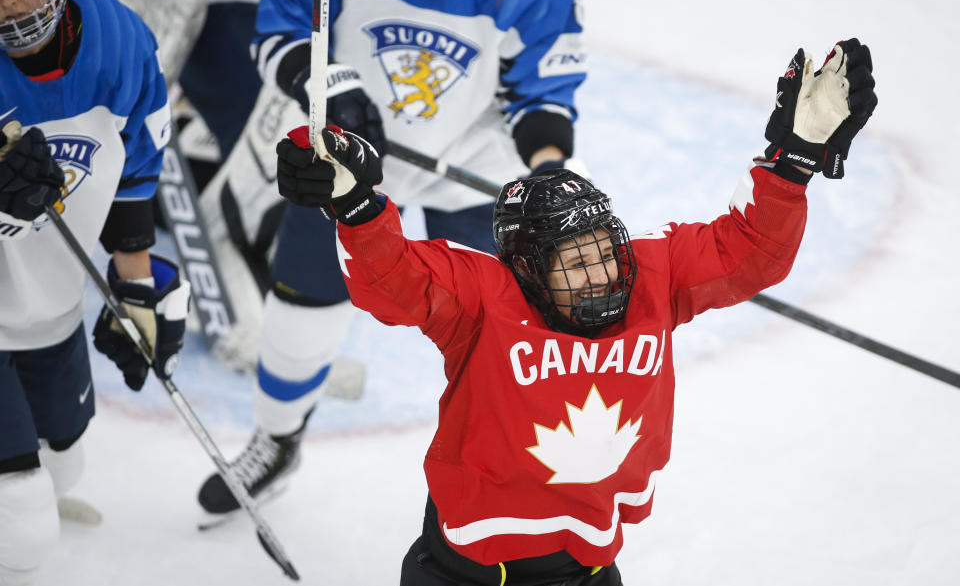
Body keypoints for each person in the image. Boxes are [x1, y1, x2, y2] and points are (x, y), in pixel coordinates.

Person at [271, 37, 876, 584]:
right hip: (461, 574)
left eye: (605, 252)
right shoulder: (485, 298)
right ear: (529, 269)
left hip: (586, 569)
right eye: (575, 263)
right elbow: (395, 279)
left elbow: (750, 254)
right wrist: (354, 205)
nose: (603, 274)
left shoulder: (649, 276)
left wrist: (793, 161)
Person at [198, 0, 588, 517]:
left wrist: (549, 172)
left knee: (505, 336)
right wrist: (326, 84)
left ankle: (511, 471)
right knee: (300, 311)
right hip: (351, 151)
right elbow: (282, 27)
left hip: (480, 161)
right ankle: (279, 439)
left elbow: (543, 90)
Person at [0, 0, 189, 583]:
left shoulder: (116, 40)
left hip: (49, 304)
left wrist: (135, 289)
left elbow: (135, 168)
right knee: (24, 526)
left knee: (66, 460)